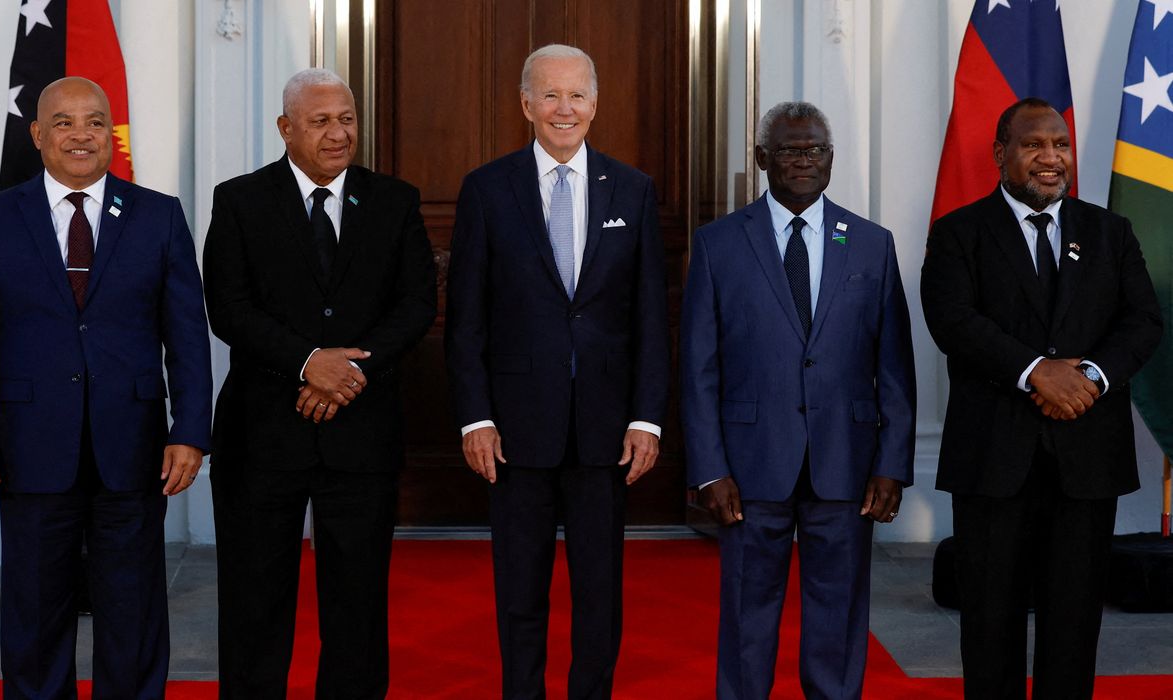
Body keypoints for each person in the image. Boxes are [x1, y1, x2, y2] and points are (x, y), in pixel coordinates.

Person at [0, 77, 212, 698]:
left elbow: (187, 336)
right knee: (34, 613)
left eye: (95, 121)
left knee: (134, 610)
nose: (81, 134)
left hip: (135, 448)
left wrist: (190, 432)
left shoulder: (158, 215)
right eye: (63, 123)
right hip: (32, 449)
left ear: (111, 133)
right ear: (37, 135)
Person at [444, 44, 669, 700]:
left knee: (599, 591)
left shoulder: (633, 190)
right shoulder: (487, 189)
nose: (562, 108)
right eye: (549, 95)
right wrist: (475, 417)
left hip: (606, 431)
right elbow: (465, 320)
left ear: (594, 105)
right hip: (514, 432)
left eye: (575, 95)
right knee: (520, 589)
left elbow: (651, 317)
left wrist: (646, 416)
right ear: (525, 105)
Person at [203, 68, 436, 699]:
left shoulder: (395, 200)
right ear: (285, 129)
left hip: (361, 437)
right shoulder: (240, 201)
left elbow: (416, 304)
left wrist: (349, 370)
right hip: (262, 438)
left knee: (357, 608)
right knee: (254, 605)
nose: (339, 133)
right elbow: (228, 307)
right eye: (321, 121)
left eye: (347, 119)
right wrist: (309, 362)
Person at [921, 97, 1162, 699]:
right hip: (993, 458)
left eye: (1060, 145)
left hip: (1087, 456)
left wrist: (1089, 379)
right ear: (1001, 154)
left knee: (1075, 621)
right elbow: (952, 320)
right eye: (1034, 145)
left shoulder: (1111, 232)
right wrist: (1035, 372)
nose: (1051, 158)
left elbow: (1142, 322)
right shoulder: (959, 234)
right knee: (990, 620)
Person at [680, 101, 916, 700]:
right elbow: (698, 368)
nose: (804, 160)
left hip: (846, 462)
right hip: (749, 465)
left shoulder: (871, 244)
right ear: (763, 159)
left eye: (815, 149)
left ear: (831, 158)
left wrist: (892, 462)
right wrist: (709, 467)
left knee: (837, 616)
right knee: (745, 615)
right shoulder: (717, 245)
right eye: (789, 150)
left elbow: (894, 367)